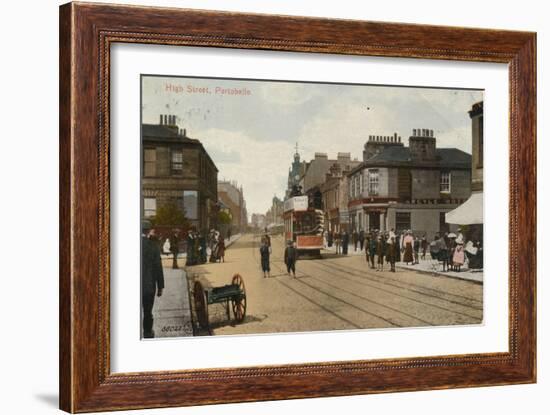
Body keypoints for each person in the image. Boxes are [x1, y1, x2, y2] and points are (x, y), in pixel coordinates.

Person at [141, 220, 164, 339]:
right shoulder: (153, 246)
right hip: (148, 287)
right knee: (147, 312)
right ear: (149, 231)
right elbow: (158, 268)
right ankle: (147, 333)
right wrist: (160, 287)